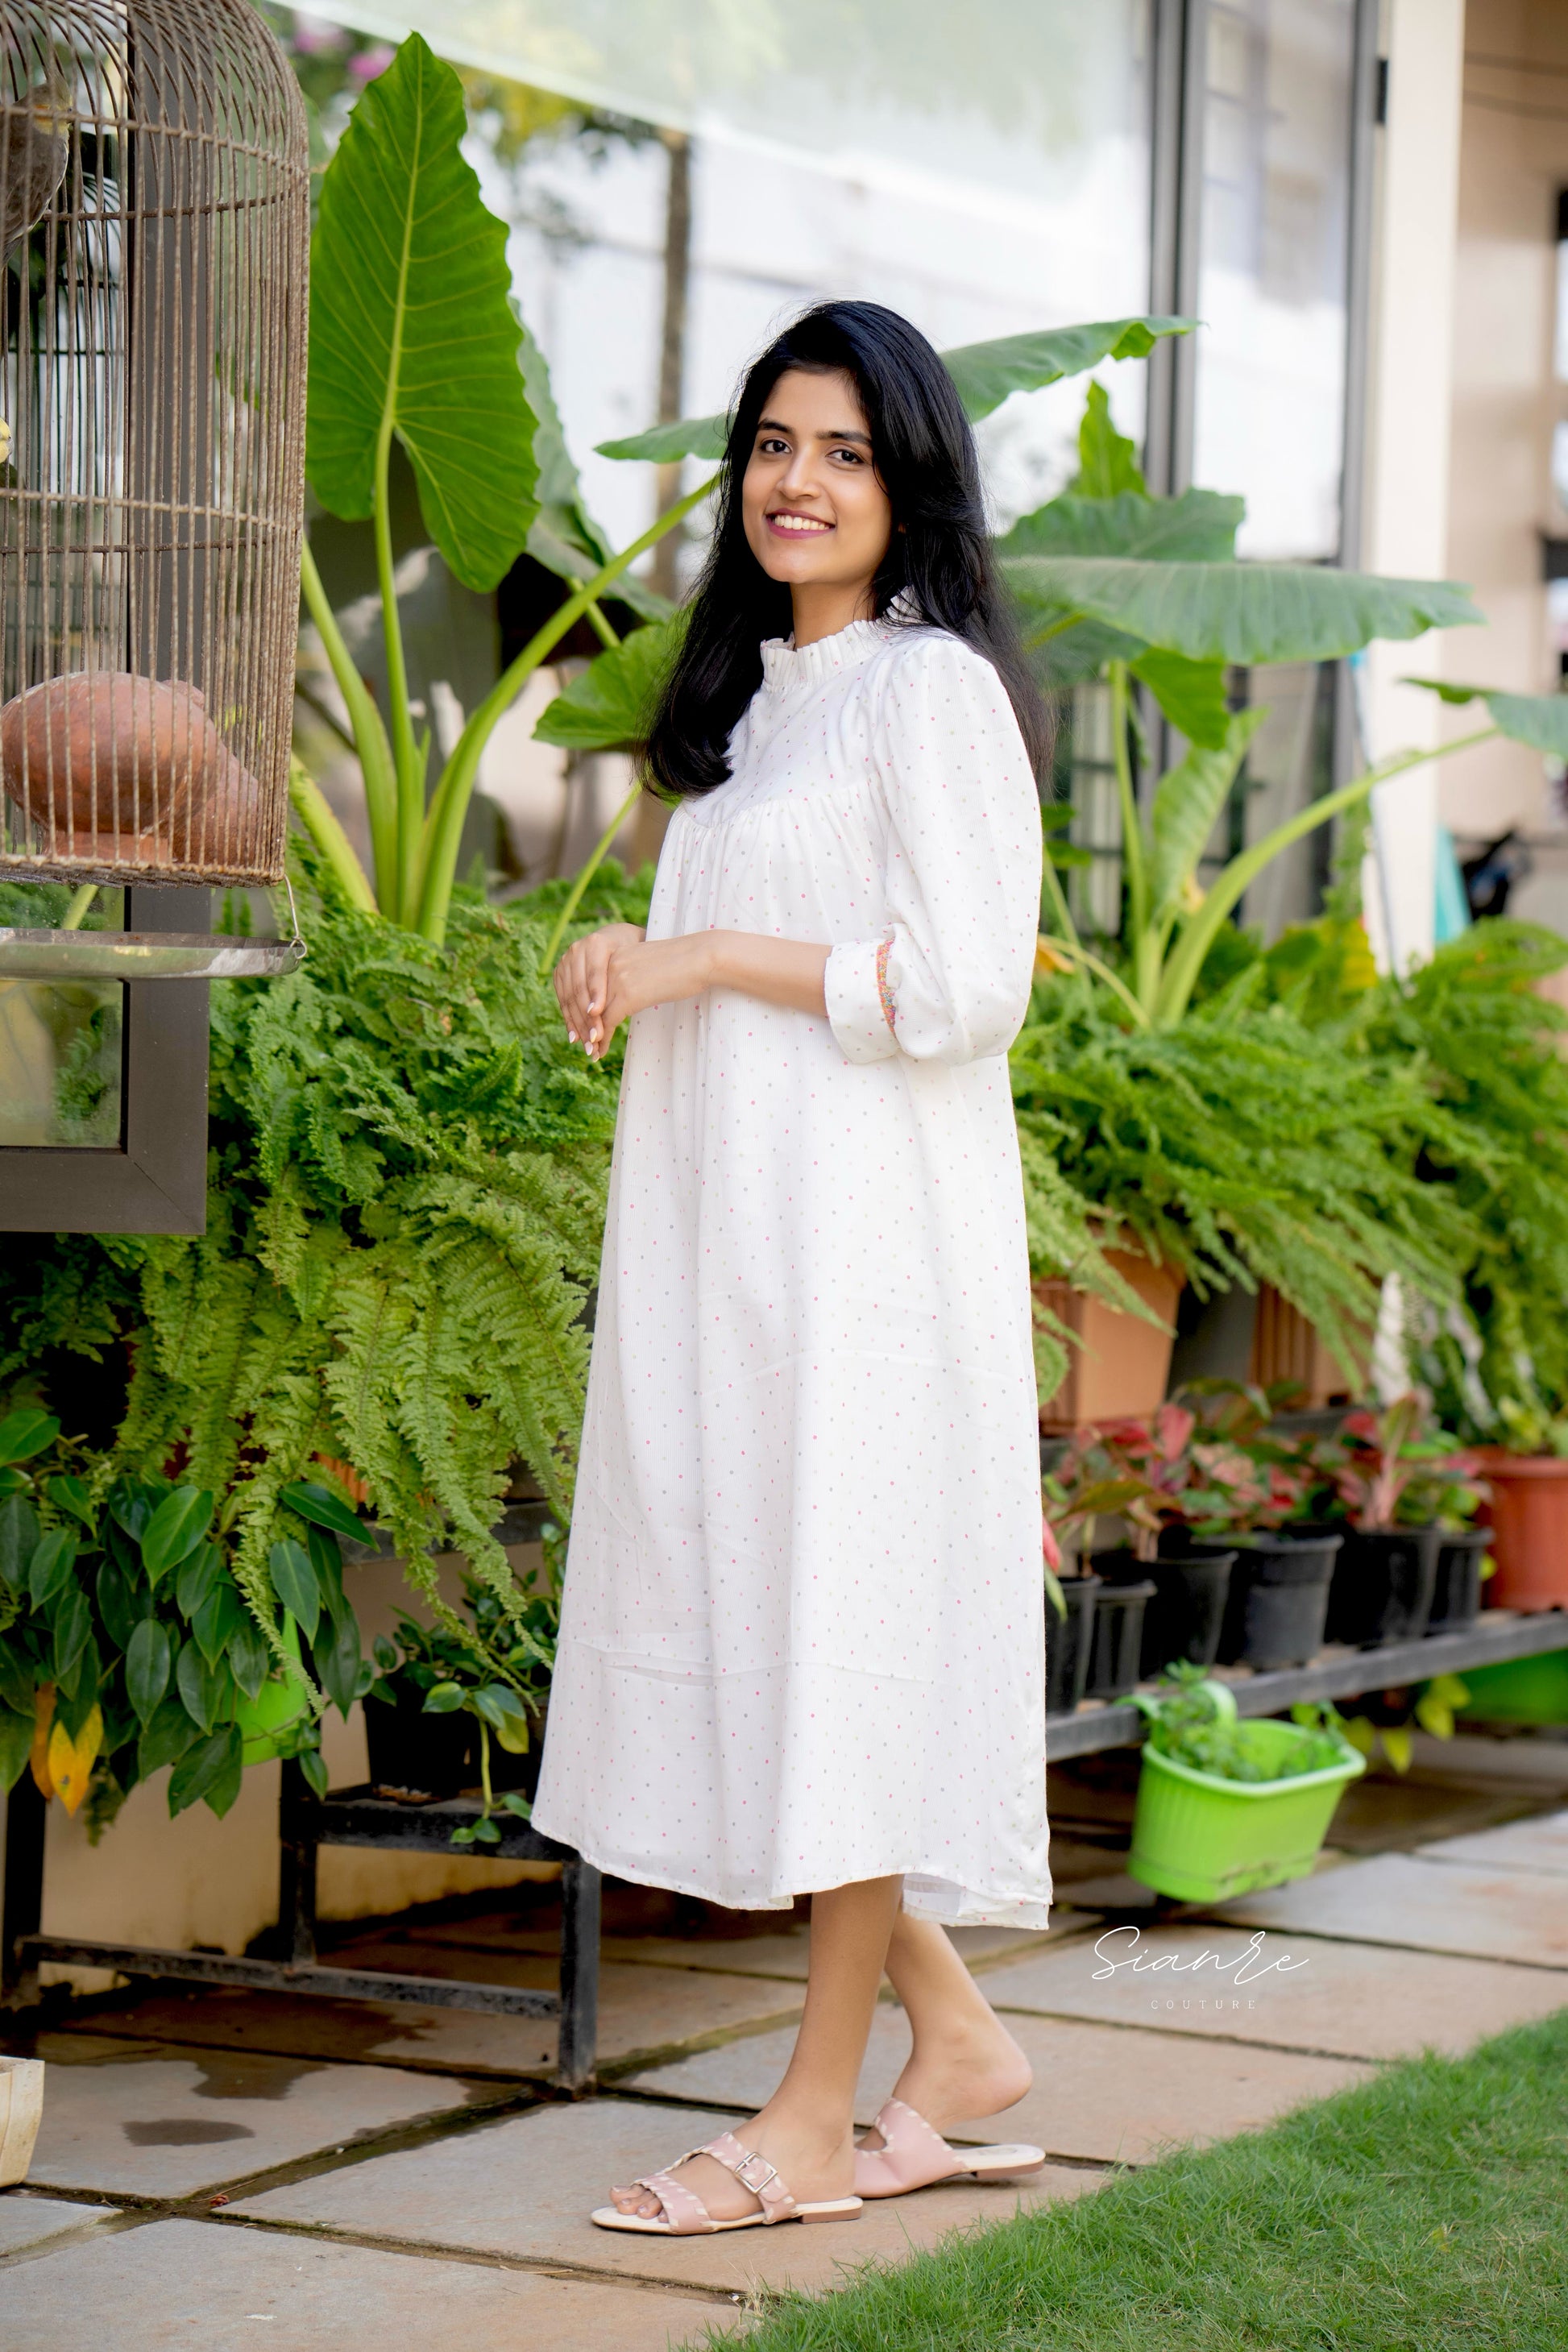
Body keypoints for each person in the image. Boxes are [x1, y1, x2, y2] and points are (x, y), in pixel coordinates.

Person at [532, 298, 1052, 2236]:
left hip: (867, 1262)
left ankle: (813, 2117)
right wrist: (629, 960)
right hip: (730, 1250)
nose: (796, 481)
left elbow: (964, 986)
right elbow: (753, 946)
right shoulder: (756, 705)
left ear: (907, 477)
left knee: (835, 1640)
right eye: (770, 443)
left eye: (839, 449)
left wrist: (697, 960)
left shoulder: (929, 692)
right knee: (776, 1637)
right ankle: (965, 2047)